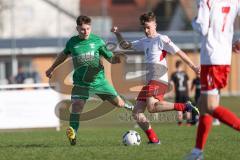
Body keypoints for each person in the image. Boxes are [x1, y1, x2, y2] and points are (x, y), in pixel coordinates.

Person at [111, 12, 200, 144]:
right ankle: (153, 140)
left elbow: (179, 52)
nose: (146, 30)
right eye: (144, 28)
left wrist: (193, 67)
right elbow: (125, 45)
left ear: (155, 25)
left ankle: (184, 107)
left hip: (159, 78)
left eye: (148, 27)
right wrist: (117, 34)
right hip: (149, 81)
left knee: (152, 107)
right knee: (136, 112)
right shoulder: (144, 41)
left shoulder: (162, 39)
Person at [46, 15, 134, 146]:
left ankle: (130, 106)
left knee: (119, 104)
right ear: (77, 28)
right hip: (81, 83)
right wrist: (52, 67)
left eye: (88, 29)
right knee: (77, 105)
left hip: (99, 82)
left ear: (90, 28)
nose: (85, 32)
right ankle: (73, 133)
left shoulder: (97, 41)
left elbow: (110, 58)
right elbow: (63, 55)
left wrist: (117, 59)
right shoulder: (72, 42)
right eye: (82, 29)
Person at [186, 1, 240, 159]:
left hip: (211, 57)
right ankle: (197, 152)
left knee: (210, 106)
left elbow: (202, 28)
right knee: (204, 105)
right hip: (223, 57)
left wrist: (193, 21)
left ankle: (197, 152)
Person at [170, 60, 191, 126]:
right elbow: (188, 83)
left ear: (176, 66)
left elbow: (172, 84)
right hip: (185, 93)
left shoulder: (173, 74)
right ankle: (188, 123)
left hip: (178, 94)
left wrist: (172, 92)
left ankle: (180, 123)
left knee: (179, 109)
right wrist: (189, 92)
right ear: (181, 66)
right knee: (188, 108)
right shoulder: (185, 74)